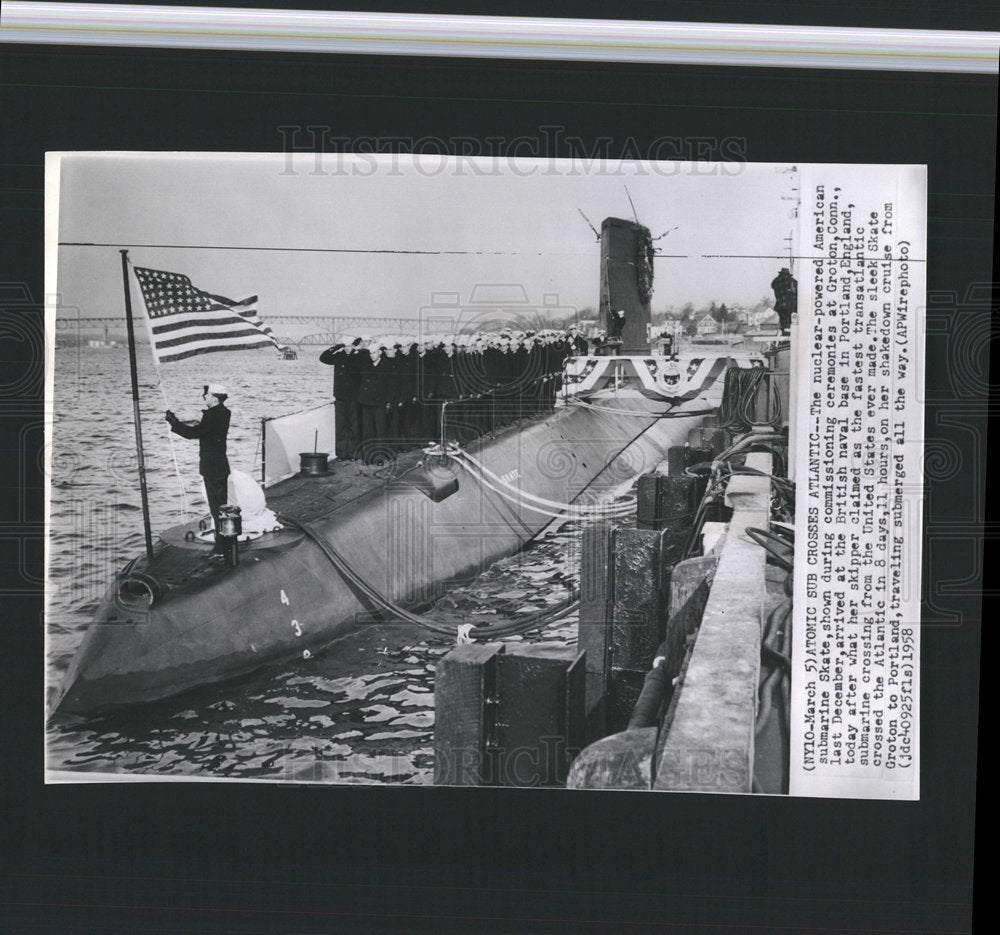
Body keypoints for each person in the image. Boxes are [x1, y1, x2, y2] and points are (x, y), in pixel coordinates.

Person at [166, 384, 231, 557]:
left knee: (216, 507)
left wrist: (174, 423)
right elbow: (204, 429)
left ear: (215, 398)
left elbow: (193, 434)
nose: (204, 397)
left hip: (212, 468)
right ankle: (226, 541)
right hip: (220, 466)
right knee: (221, 506)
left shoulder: (212, 416)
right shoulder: (223, 413)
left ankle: (221, 547)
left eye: (207, 395)